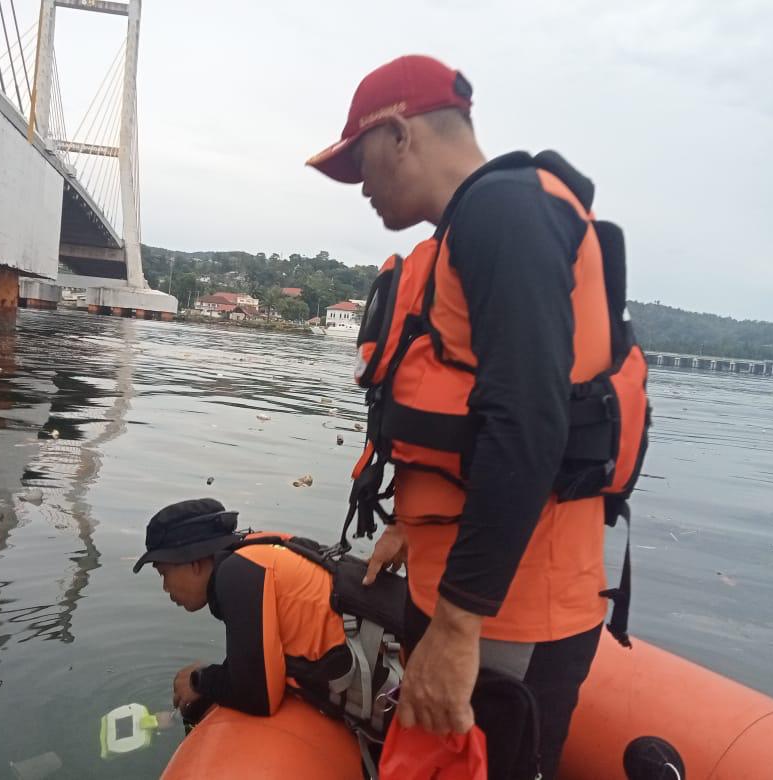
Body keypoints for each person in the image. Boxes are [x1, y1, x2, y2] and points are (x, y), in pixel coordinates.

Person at [307, 55, 641, 779]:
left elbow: (528, 426)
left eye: (358, 161)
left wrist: (458, 626)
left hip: (510, 618)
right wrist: (408, 526)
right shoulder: (473, 226)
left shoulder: (503, 211)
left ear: (398, 133)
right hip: (473, 595)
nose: (359, 185)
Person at [133, 497, 402, 733]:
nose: (166, 588)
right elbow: (255, 665)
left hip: (407, 673)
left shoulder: (235, 576)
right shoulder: (255, 555)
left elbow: (259, 696)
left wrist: (199, 680)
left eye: (163, 573)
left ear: (192, 562)